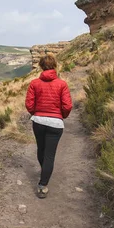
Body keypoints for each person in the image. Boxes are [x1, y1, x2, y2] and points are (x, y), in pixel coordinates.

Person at [25, 54, 72, 198]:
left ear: (40, 66)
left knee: (41, 149)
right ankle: (42, 185)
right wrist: (61, 116)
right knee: (50, 155)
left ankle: (44, 170)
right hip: (55, 124)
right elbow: (67, 105)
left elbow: (29, 104)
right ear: (55, 66)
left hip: (38, 121)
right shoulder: (62, 84)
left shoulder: (34, 83)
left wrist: (36, 113)